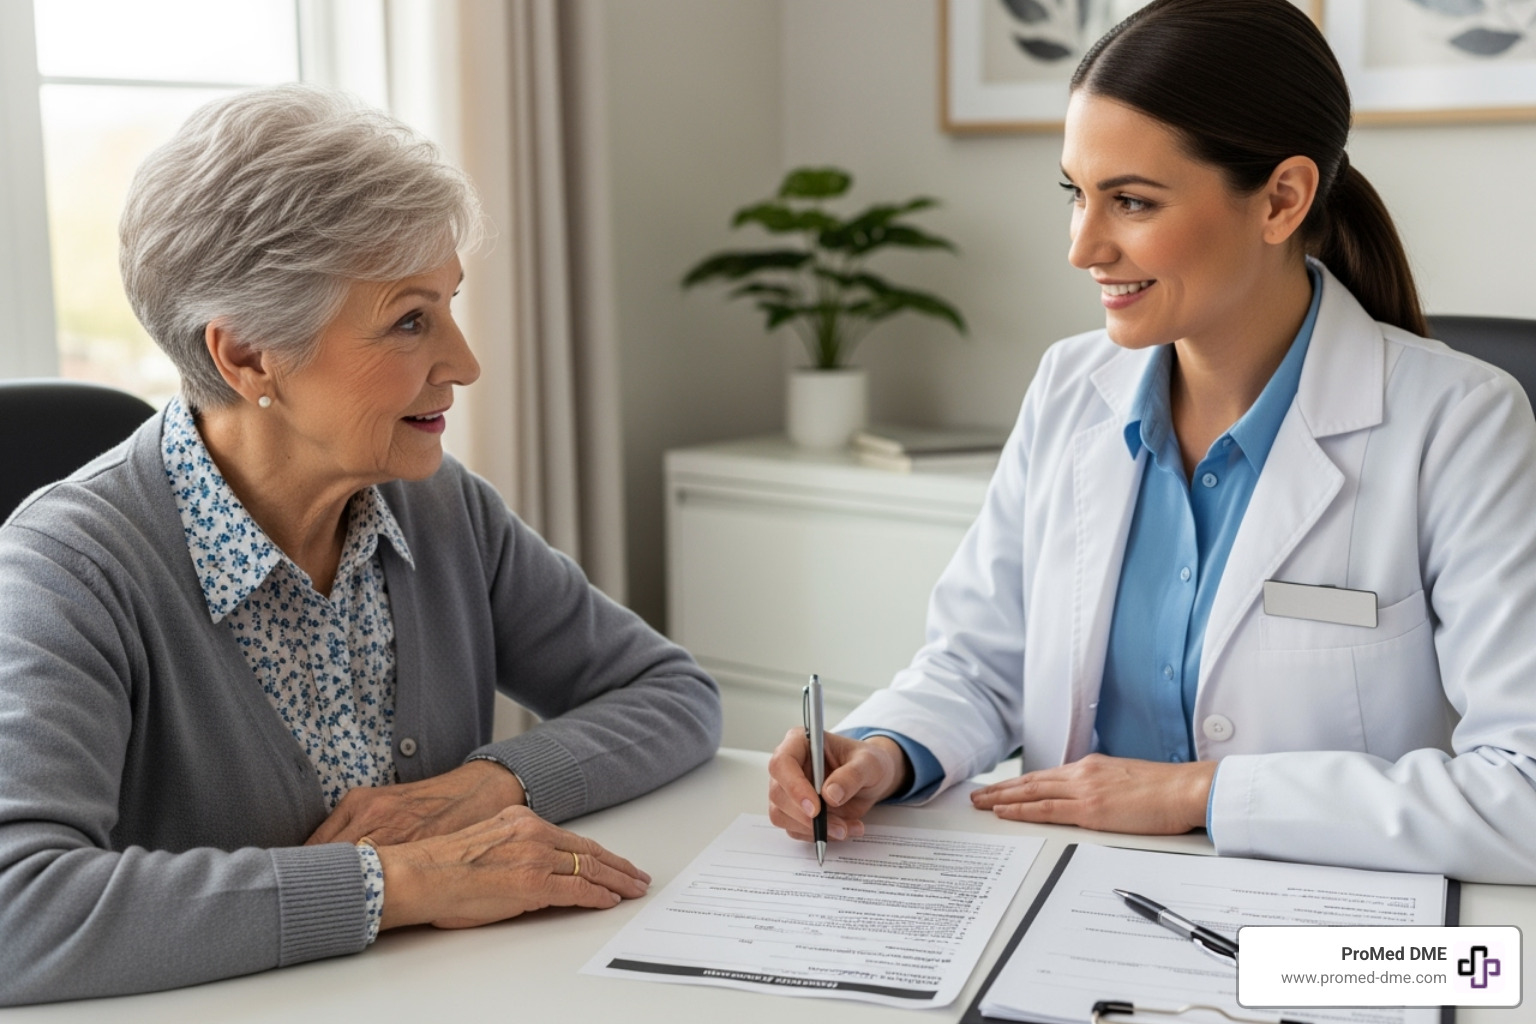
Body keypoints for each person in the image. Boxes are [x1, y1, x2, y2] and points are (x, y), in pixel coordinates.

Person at [768, 0, 1536, 884]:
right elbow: (980, 665)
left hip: (1327, 936)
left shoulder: (1461, 423)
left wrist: (1198, 795)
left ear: (1282, 199)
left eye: (1130, 201)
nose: (1083, 246)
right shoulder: (1069, 386)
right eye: (1076, 194)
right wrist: (883, 749)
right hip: (1068, 904)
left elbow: (1519, 792)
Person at [0, 85, 721, 1006]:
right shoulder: (67, 572)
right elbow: (17, 912)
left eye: (449, 305)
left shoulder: (438, 506)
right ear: (249, 356)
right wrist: (405, 884)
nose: (463, 361)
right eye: (410, 319)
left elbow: (671, 694)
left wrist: (493, 783)